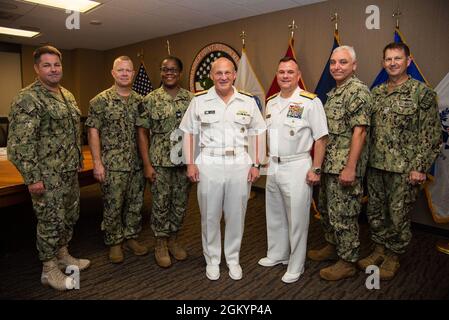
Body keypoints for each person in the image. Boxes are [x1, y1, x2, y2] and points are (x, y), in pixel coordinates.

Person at [7, 46, 90, 291]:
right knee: (50, 221)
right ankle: (48, 269)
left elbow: (73, 133)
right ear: (36, 68)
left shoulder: (67, 94)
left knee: (68, 217)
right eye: (47, 65)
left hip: (67, 172)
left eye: (57, 65)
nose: (53, 69)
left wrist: (77, 161)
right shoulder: (27, 98)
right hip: (46, 175)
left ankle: (63, 255)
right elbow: (19, 144)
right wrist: (33, 178)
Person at [358, 42, 441, 280]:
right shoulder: (376, 93)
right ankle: (379, 249)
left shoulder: (421, 93)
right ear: (382, 62)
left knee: (398, 215)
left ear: (408, 61)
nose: (392, 63)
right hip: (376, 167)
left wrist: (420, 167)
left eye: (397, 58)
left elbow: (431, 134)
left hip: (405, 170)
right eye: (388, 59)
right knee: (375, 212)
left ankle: (393, 256)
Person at [180, 57, 266, 281]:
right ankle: (212, 260)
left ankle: (233, 259)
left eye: (227, 72)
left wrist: (257, 163)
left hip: (239, 163)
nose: (223, 77)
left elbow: (258, 132)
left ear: (235, 75)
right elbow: (188, 132)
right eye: (218, 73)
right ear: (211, 76)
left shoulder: (247, 101)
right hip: (209, 162)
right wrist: (190, 162)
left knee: (236, 214)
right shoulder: (199, 101)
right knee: (210, 215)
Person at [257, 57, 328, 283]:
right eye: (281, 72)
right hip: (274, 165)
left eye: (290, 72)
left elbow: (321, 138)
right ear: (277, 75)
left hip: (298, 165)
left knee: (297, 218)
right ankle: (278, 254)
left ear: (298, 76)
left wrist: (316, 168)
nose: (285, 76)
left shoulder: (310, 102)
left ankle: (296, 265)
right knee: (275, 213)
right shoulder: (271, 102)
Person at [307, 46, 372, 281]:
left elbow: (360, 132)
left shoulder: (357, 91)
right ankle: (333, 246)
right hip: (329, 165)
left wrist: (350, 168)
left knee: (344, 215)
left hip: (344, 166)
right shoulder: (335, 92)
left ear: (354, 66)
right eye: (333, 62)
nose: (337, 67)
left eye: (343, 62)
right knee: (327, 210)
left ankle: (347, 261)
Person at [86, 56, 148, 264]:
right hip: (112, 165)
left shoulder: (141, 101)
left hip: (137, 164)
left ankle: (131, 236)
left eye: (128, 70)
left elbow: (144, 133)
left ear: (132, 74)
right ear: (113, 73)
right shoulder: (100, 101)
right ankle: (114, 242)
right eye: (120, 70)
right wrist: (97, 163)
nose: (124, 73)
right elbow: (93, 132)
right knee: (113, 205)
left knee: (135, 203)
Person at [136, 56, 193, 268]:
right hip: (159, 162)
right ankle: (160, 243)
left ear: (180, 73)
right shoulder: (150, 99)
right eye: (165, 69)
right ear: (161, 72)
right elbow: (142, 133)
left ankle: (173, 240)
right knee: (160, 205)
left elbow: (196, 132)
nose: (169, 73)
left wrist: (193, 163)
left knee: (180, 204)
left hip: (183, 162)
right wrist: (147, 164)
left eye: (173, 70)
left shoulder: (191, 99)